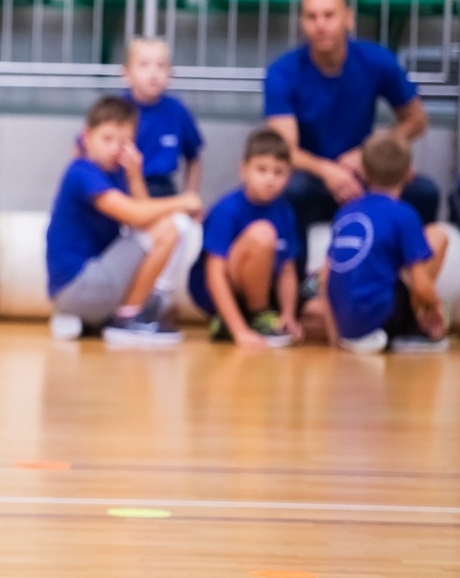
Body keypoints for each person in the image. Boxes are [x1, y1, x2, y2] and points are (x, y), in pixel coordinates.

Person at [264, 0, 440, 278]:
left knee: (425, 193)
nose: (320, 25)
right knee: (291, 191)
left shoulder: (376, 60)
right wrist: (328, 172)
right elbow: (285, 150)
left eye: (329, 15)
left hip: (366, 174)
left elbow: (417, 120)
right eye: (311, 16)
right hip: (314, 179)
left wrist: (369, 153)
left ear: (349, 18)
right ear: (302, 23)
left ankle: (410, 295)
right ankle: (297, 298)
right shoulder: (283, 72)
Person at [46, 95, 203, 346]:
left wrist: (135, 175)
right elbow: (135, 215)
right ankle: (129, 316)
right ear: (87, 138)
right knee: (169, 230)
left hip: (89, 282)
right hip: (79, 285)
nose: (115, 148)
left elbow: (144, 219)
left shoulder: (116, 173)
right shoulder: (82, 172)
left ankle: (123, 311)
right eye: (107, 139)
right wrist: (182, 201)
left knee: (163, 227)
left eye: (124, 142)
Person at [313, 131, 449, 354]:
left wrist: (335, 336)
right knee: (432, 244)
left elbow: (325, 278)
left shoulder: (345, 213)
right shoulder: (404, 214)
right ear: (409, 173)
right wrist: (436, 308)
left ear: (363, 172)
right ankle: (412, 330)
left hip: (345, 326)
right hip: (381, 319)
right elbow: (420, 283)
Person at [187, 128, 299, 348]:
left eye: (279, 172)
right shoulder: (227, 210)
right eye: (261, 170)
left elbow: (287, 269)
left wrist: (289, 315)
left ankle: (258, 317)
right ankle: (241, 319)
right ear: (244, 170)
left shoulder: (285, 212)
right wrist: (239, 331)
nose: (270, 179)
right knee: (263, 234)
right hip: (215, 292)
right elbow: (215, 271)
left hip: (255, 287)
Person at [122, 37, 202, 198]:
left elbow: (194, 157)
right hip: (122, 187)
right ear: (126, 74)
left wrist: (189, 194)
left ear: (170, 74)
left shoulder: (177, 110)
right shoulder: (117, 109)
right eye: (144, 65)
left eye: (161, 66)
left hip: (162, 189)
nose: (153, 73)